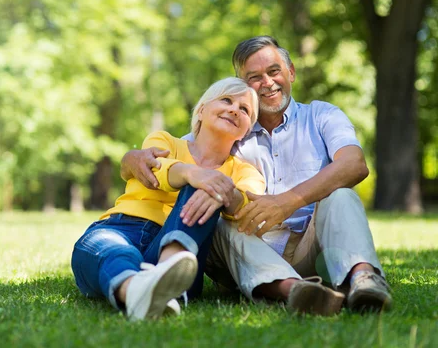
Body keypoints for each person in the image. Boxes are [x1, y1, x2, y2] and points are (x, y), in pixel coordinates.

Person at [121, 36, 392, 316]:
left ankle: (363, 280)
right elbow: (176, 154)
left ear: (291, 72)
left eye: (274, 71)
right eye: (254, 77)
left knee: (341, 194)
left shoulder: (322, 116)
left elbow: (354, 164)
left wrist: (287, 201)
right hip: (243, 247)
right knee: (216, 203)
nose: (267, 82)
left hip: (309, 246)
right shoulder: (233, 125)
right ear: (243, 84)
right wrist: (130, 159)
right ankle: (295, 291)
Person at [71, 77, 265, 321]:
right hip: (122, 229)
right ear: (202, 110)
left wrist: (220, 191)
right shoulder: (164, 141)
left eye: (244, 109)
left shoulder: (245, 171)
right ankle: (136, 289)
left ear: (246, 130)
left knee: (210, 187)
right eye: (226, 100)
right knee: (111, 250)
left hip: (184, 249)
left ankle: (168, 271)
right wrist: (192, 173)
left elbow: (250, 202)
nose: (234, 109)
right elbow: (155, 168)